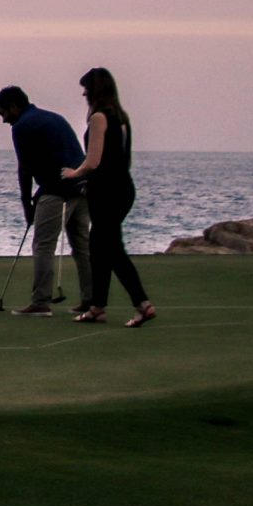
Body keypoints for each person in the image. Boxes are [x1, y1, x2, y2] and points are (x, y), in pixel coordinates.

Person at [62, 65, 155, 327]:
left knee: (111, 249)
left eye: (85, 89)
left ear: (95, 91)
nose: (83, 95)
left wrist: (73, 173)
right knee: (99, 247)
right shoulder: (121, 118)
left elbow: (93, 161)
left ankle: (142, 303)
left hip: (106, 192)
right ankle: (97, 306)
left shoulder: (99, 118)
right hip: (122, 187)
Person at [0, 84, 89, 315]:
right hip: (83, 187)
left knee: (43, 244)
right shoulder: (55, 118)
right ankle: (92, 300)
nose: (4, 120)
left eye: (4, 113)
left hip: (57, 191)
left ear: (15, 107)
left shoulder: (22, 127)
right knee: (82, 247)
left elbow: (25, 169)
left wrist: (26, 204)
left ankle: (40, 302)